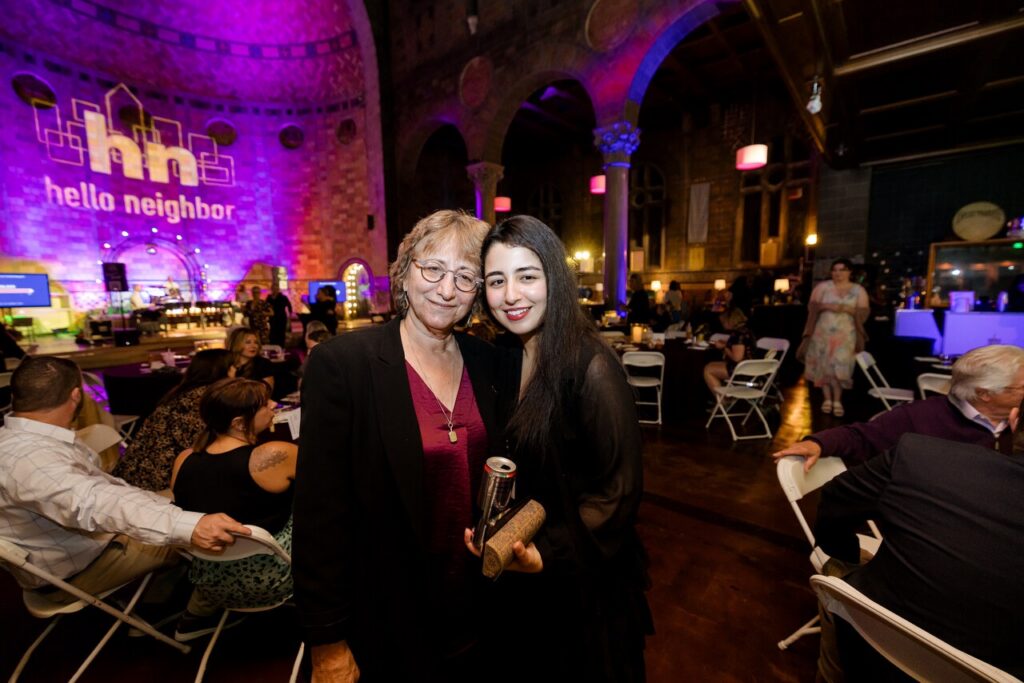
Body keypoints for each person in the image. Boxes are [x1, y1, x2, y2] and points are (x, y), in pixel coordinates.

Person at [293, 210, 506, 682]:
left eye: (466, 276)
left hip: (477, 603)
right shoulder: (344, 365)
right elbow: (318, 514)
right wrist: (326, 642)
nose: (446, 289)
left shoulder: (488, 362)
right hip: (385, 611)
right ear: (405, 271)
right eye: (433, 269)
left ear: (477, 292)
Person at [476, 214, 652, 682]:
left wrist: (547, 553)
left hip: (584, 583)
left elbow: (619, 493)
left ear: (555, 276)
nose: (511, 295)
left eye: (527, 276)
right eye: (497, 280)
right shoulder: (509, 358)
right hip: (526, 577)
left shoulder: (592, 368)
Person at [0, 356, 248, 611]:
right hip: (78, 572)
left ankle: (158, 599)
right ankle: (200, 612)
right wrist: (190, 525)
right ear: (76, 396)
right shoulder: (29, 458)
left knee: (190, 502)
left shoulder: (18, 439)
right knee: (213, 535)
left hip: (75, 550)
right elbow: (90, 502)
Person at [813, 425, 1024, 681]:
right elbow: (865, 434)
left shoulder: (921, 454)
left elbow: (834, 503)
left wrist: (850, 556)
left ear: (1013, 419)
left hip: (865, 640)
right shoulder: (922, 445)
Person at [170, 378, 296, 633]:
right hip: (276, 578)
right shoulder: (269, 456)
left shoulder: (184, 459)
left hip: (211, 584)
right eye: (264, 404)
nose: (274, 405)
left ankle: (196, 613)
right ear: (238, 423)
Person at [773, 344, 1024, 471]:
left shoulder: (1016, 423)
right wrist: (817, 443)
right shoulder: (921, 418)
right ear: (985, 394)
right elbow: (860, 436)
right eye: (1020, 387)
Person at [112, 349, 234, 491]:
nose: (237, 370)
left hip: (134, 471)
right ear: (221, 370)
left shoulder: (184, 391)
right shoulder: (200, 400)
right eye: (233, 366)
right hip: (154, 481)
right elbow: (200, 446)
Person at [800, 258, 868, 418]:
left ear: (849, 272)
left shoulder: (858, 290)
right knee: (824, 367)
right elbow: (812, 307)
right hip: (822, 334)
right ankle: (827, 399)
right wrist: (827, 306)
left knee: (840, 366)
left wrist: (849, 310)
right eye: (835, 270)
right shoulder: (823, 288)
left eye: (842, 270)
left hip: (845, 336)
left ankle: (838, 400)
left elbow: (864, 313)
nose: (838, 273)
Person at [703, 323, 756, 394]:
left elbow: (737, 358)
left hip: (741, 371)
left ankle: (723, 400)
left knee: (708, 369)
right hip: (753, 368)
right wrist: (727, 344)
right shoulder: (747, 330)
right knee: (711, 365)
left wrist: (725, 348)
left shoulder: (738, 334)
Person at [266, 282, 293, 347]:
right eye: (273, 288)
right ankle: (273, 347)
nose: (275, 290)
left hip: (281, 318)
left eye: (276, 288)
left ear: (278, 289)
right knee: (273, 333)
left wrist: (290, 317)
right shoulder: (269, 298)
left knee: (281, 334)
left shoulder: (283, 297)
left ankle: (281, 348)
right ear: (271, 289)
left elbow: (289, 307)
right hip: (272, 318)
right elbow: (265, 307)